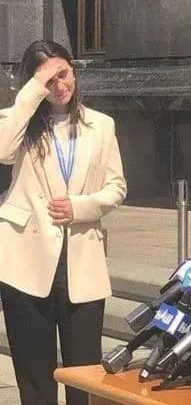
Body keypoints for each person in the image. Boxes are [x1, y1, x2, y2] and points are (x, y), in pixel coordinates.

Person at [0, 40, 127, 405]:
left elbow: (117, 187)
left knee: (84, 379)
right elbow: (3, 151)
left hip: (81, 263)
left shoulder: (101, 125)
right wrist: (31, 93)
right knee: (35, 380)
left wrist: (82, 207)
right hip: (25, 265)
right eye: (48, 80)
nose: (59, 85)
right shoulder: (17, 121)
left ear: (74, 71)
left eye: (63, 74)